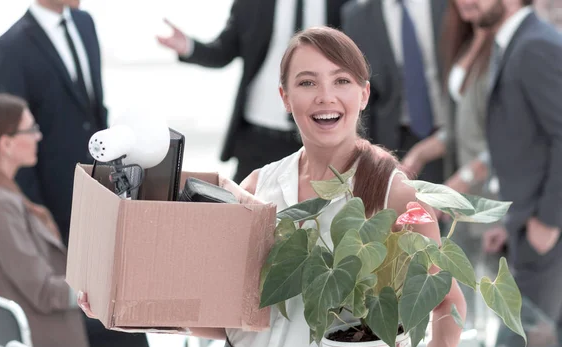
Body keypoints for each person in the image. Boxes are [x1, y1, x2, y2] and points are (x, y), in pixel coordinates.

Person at [81, 27, 466, 347]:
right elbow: (231, 315)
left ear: (363, 94)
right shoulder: (258, 186)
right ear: (284, 98)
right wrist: (124, 306)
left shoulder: (394, 196)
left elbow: (448, 298)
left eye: (341, 81)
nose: (325, 96)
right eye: (307, 82)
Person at [0, 94, 159, 347]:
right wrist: (103, 283)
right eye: (31, 130)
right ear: (6, 143)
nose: (39, 136)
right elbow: (44, 292)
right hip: (47, 334)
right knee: (137, 329)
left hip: (33, 317)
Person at [468, 0, 562, 347]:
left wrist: (548, 223)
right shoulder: (516, 42)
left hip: (545, 236)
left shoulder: (535, 44)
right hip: (525, 226)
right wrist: (512, 220)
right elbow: (526, 143)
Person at [156, 0, 348, 182]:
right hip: (258, 135)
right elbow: (224, 50)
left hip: (321, 134)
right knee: (241, 210)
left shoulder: (345, 4)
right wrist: (188, 46)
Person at [0, 0, 107, 246]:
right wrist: (38, 214)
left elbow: (95, 108)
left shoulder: (86, 23)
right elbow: (12, 141)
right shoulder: (10, 48)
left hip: (101, 191)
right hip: (54, 205)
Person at [341, 0, 447, 183]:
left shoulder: (448, 5)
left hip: (451, 132)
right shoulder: (358, 15)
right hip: (394, 140)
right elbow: (360, 93)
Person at [402, 0, 493, 198]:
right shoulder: (465, 44)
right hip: (463, 190)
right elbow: (456, 130)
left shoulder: (506, 49)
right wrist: (418, 154)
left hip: (494, 191)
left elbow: (515, 135)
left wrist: (468, 176)